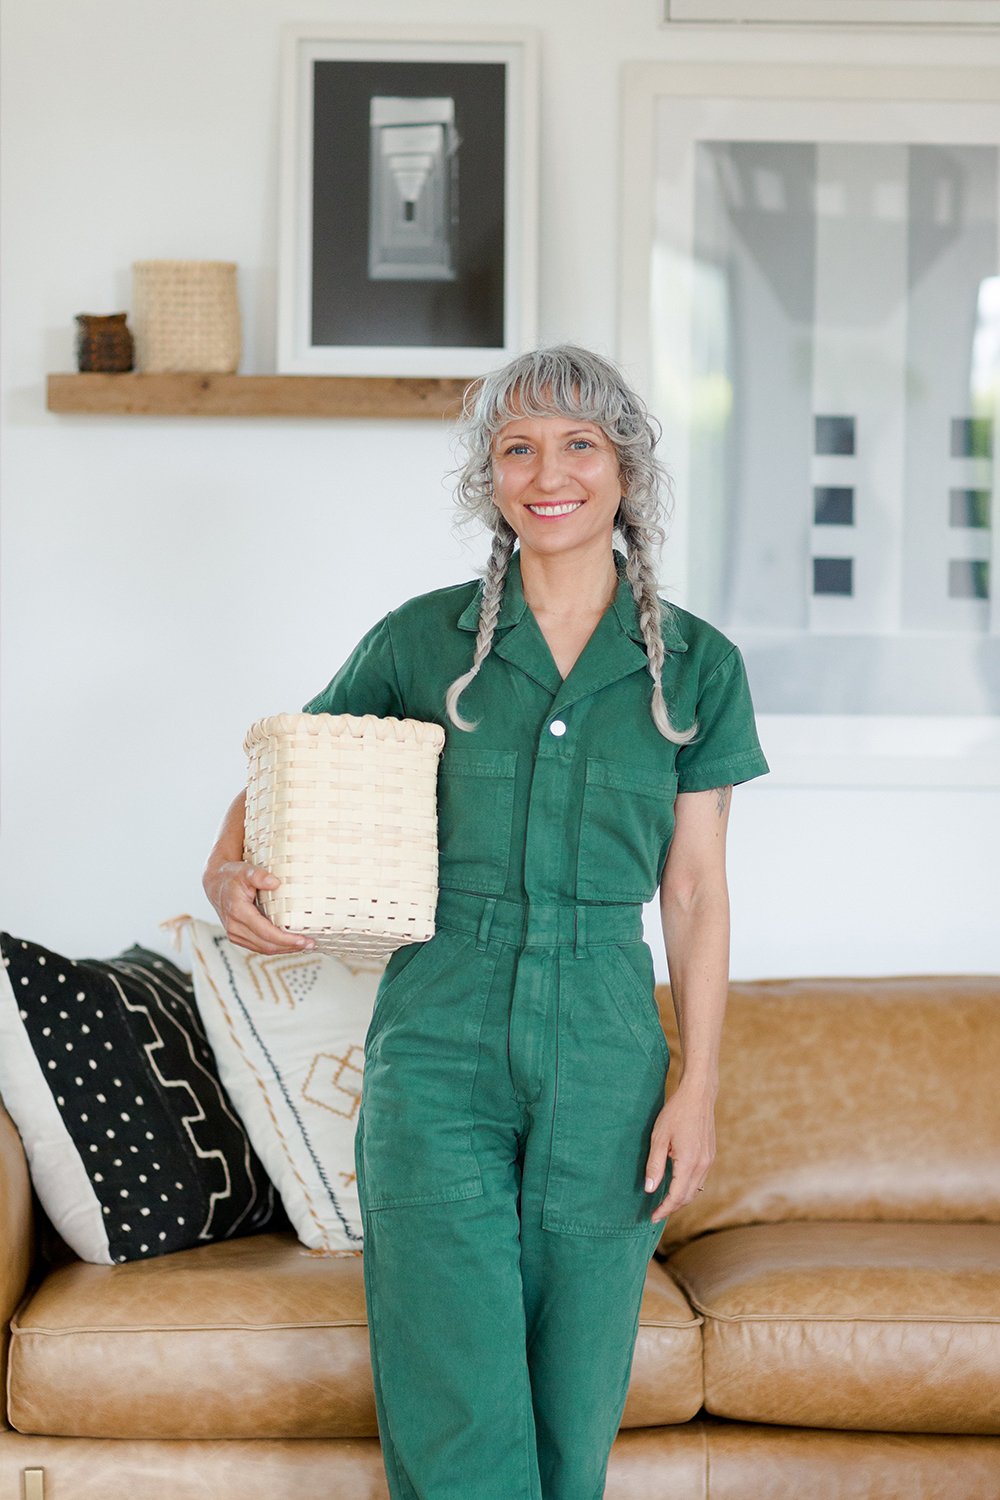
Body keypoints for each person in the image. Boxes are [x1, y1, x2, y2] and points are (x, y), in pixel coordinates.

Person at [203, 345, 768, 1500]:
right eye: (516, 447)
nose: (544, 472)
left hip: (607, 1052)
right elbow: (292, 770)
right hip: (437, 1045)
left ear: (624, 471)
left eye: (578, 444)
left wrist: (696, 1085)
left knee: (572, 1412)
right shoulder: (422, 641)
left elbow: (696, 891)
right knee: (455, 1404)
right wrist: (226, 869)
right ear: (489, 478)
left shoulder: (697, 668)